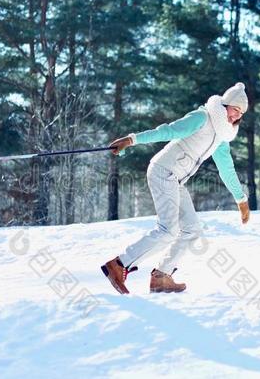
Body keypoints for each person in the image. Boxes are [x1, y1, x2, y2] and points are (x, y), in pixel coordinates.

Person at [101, 82, 251, 294]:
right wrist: (132, 140)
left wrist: (241, 199)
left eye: (241, 113)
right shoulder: (202, 117)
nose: (236, 116)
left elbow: (227, 169)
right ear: (225, 105)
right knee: (168, 230)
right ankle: (118, 265)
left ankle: (162, 276)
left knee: (192, 229)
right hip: (163, 171)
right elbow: (167, 131)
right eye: (235, 109)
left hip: (175, 179)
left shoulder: (221, 137)